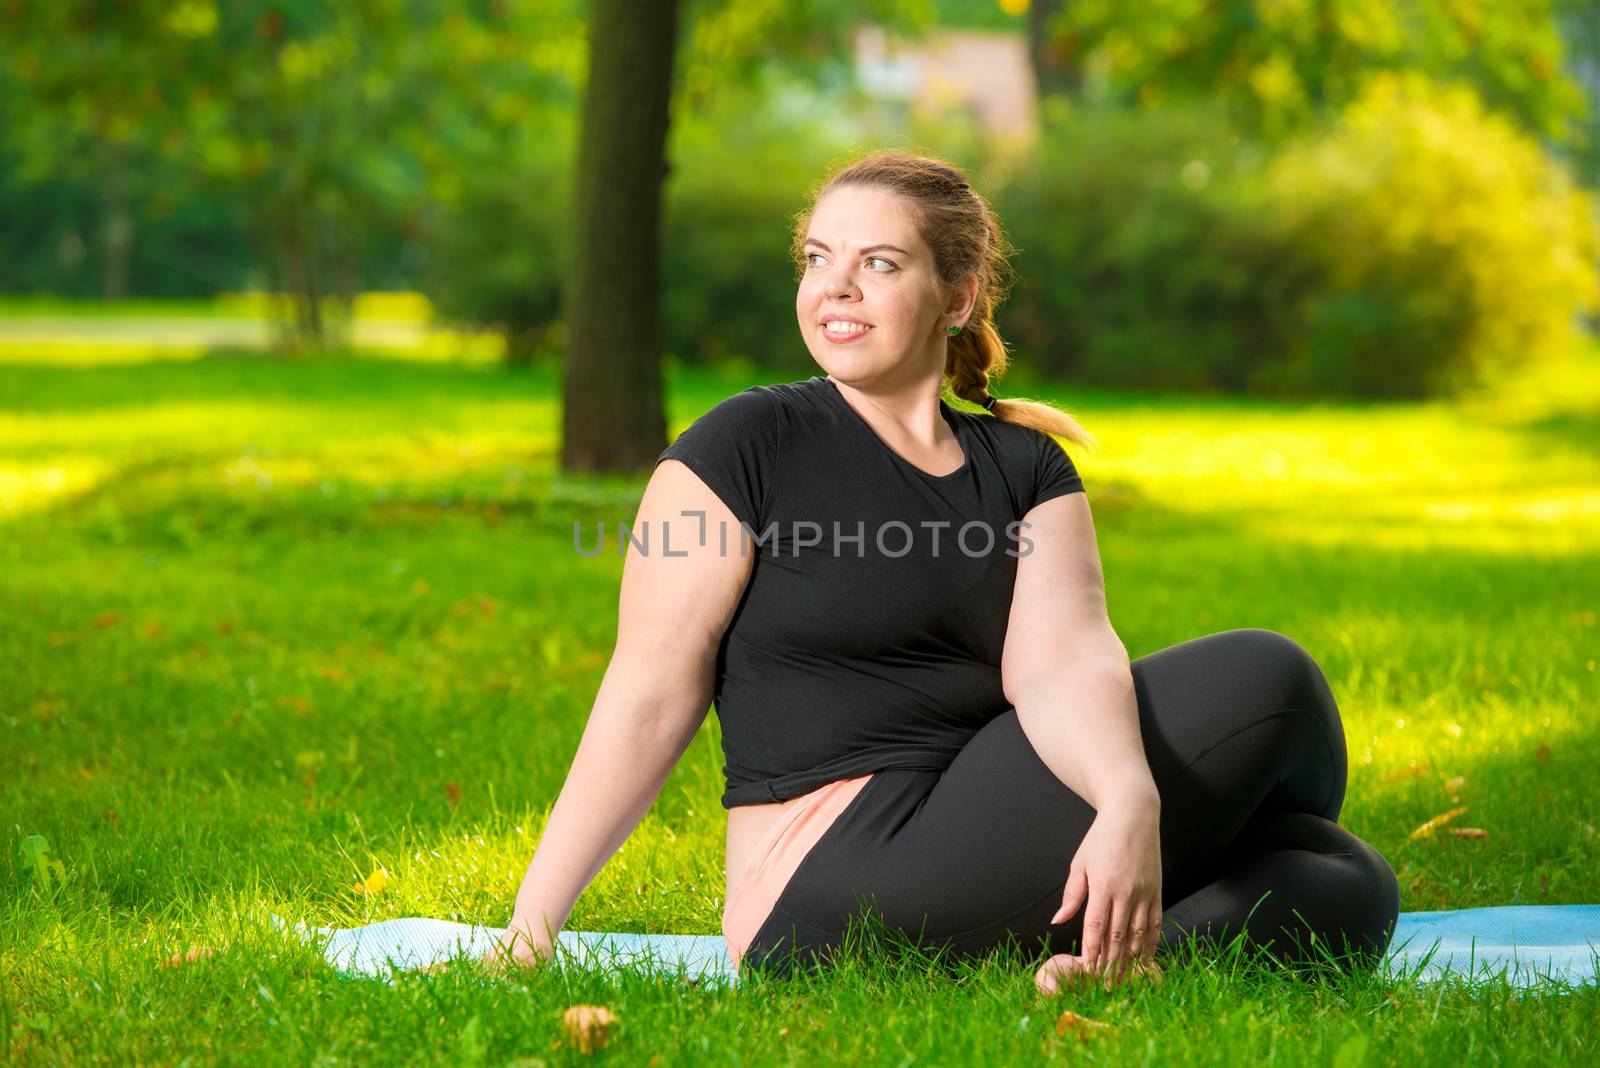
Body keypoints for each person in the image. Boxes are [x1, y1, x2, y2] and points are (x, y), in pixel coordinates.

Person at [487, 149, 1400, 993]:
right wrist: (534, 926)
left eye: (879, 263)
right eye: (817, 258)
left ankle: (1123, 962)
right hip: (826, 875)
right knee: (1271, 681)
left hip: (976, 823)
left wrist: (1128, 796)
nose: (835, 286)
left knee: (1341, 880)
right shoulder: (740, 447)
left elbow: (1063, 661)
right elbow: (648, 690)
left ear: (956, 298)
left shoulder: (1026, 467)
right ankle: (1138, 907)